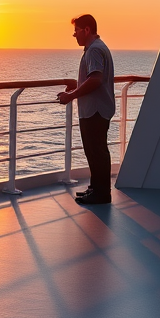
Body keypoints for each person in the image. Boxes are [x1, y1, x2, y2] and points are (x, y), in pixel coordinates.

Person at [57, 14, 116, 205]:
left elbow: (96, 79)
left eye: (76, 30)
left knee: (96, 151)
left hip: (94, 110)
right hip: (97, 108)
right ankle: (96, 188)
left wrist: (71, 96)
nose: (74, 34)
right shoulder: (97, 48)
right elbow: (94, 79)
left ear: (87, 30)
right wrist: (76, 88)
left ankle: (101, 194)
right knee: (94, 151)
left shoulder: (94, 50)